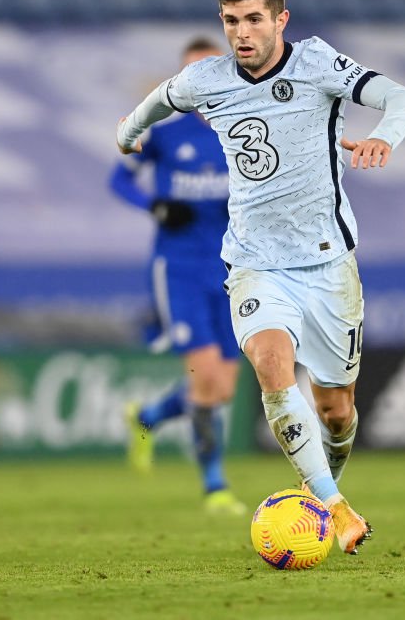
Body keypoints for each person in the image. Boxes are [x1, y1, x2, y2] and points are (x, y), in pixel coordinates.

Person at [115, 0, 405, 555]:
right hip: (254, 262)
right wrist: (128, 130)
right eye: (231, 21)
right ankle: (333, 506)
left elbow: (401, 97)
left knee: (336, 410)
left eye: (254, 19)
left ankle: (324, 475)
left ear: (281, 18)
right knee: (270, 364)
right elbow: (162, 99)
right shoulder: (207, 79)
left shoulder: (317, 64)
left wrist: (385, 135)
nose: (242, 33)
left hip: (329, 264)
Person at [112, 37, 246, 515]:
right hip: (180, 268)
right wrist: (155, 206)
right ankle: (215, 485)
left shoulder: (244, 132)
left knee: (222, 388)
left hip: (232, 270)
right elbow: (118, 177)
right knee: (206, 375)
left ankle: (147, 417)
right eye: (188, 73)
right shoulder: (166, 134)